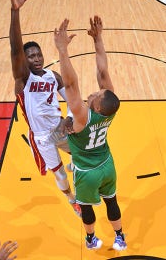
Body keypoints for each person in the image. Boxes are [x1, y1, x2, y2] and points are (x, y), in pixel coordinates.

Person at [52, 16, 127, 251]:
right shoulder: (109, 109)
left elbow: (71, 85)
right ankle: (120, 237)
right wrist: (98, 39)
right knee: (111, 201)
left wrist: (62, 50)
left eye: (95, 95)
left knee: (86, 207)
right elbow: (103, 70)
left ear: (94, 106)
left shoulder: (83, 116)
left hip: (88, 172)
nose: (94, 92)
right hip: (107, 165)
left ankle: (91, 239)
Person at [8, 0, 81, 218]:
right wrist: (15, 12)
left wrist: (70, 117)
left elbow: (72, 97)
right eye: (31, 56)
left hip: (59, 128)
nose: (36, 58)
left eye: (38, 54)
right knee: (59, 174)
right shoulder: (23, 79)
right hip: (41, 137)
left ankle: (76, 167)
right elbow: (15, 49)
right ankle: (72, 200)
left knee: (84, 152)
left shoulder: (53, 76)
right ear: (25, 60)